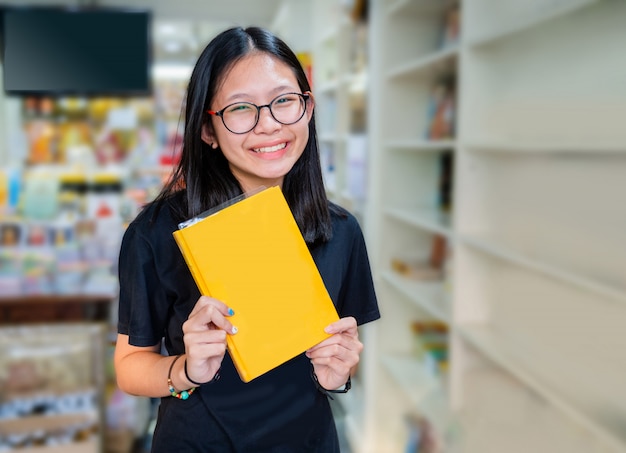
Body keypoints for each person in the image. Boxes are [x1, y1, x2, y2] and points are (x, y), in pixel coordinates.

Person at [114, 26, 380, 452]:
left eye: (284, 100)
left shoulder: (340, 230)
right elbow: (130, 366)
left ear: (307, 108)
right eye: (241, 108)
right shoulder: (156, 232)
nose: (269, 125)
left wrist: (339, 375)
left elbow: (341, 355)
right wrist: (186, 369)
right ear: (207, 130)